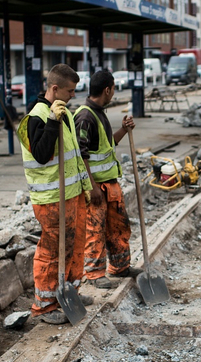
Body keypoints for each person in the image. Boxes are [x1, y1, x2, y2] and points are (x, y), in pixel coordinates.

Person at [15, 64, 94, 325]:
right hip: (51, 199)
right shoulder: (35, 118)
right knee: (52, 251)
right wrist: (51, 121)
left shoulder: (67, 115)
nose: (73, 95)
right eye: (70, 91)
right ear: (55, 88)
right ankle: (45, 305)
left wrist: (86, 187)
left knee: (74, 247)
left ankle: (69, 293)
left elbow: (73, 158)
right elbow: (41, 155)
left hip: (71, 195)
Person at [74, 70, 143, 289]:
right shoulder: (85, 117)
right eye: (113, 89)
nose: (113, 93)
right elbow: (80, 155)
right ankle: (94, 273)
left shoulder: (98, 113)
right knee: (95, 230)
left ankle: (120, 266)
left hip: (109, 184)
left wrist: (123, 130)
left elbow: (106, 146)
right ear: (107, 89)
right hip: (97, 187)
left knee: (118, 227)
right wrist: (91, 186)